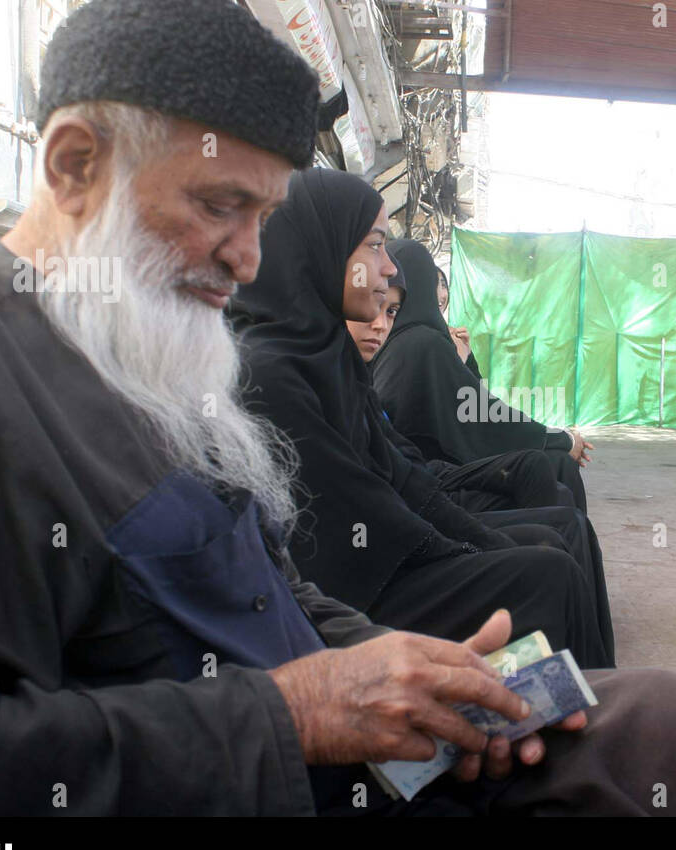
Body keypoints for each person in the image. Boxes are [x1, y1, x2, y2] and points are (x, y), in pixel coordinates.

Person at [0, 0, 676, 817]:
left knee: (660, 721)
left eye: (264, 219)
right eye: (222, 206)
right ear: (74, 165)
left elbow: (266, 587)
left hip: (347, 762)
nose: (249, 260)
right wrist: (300, 714)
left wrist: (415, 673)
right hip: (263, 784)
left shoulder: (145, 348)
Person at [230, 169, 614, 668]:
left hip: (385, 557)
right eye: (373, 246)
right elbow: (368, 507)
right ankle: (582, 729)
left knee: (543, 552)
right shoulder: (272, 372)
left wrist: (483, 545)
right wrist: (471, 551)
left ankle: (588, 706)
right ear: (321, 249)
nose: (388, 268)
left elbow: (405, 475)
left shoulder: (331, 360)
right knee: (546, 574)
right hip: (348, 596)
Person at [372, 240, 595, 512]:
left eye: (444, 286)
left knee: (547, 463)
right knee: (555, 465)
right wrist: (560, 439)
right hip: (432, 479)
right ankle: (560, 548)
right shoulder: (423, 343)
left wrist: (464, 359)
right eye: (435, 283)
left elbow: (469, 401)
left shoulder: (395, 343)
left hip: (423, 471)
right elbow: (483, 417)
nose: (440, 294)